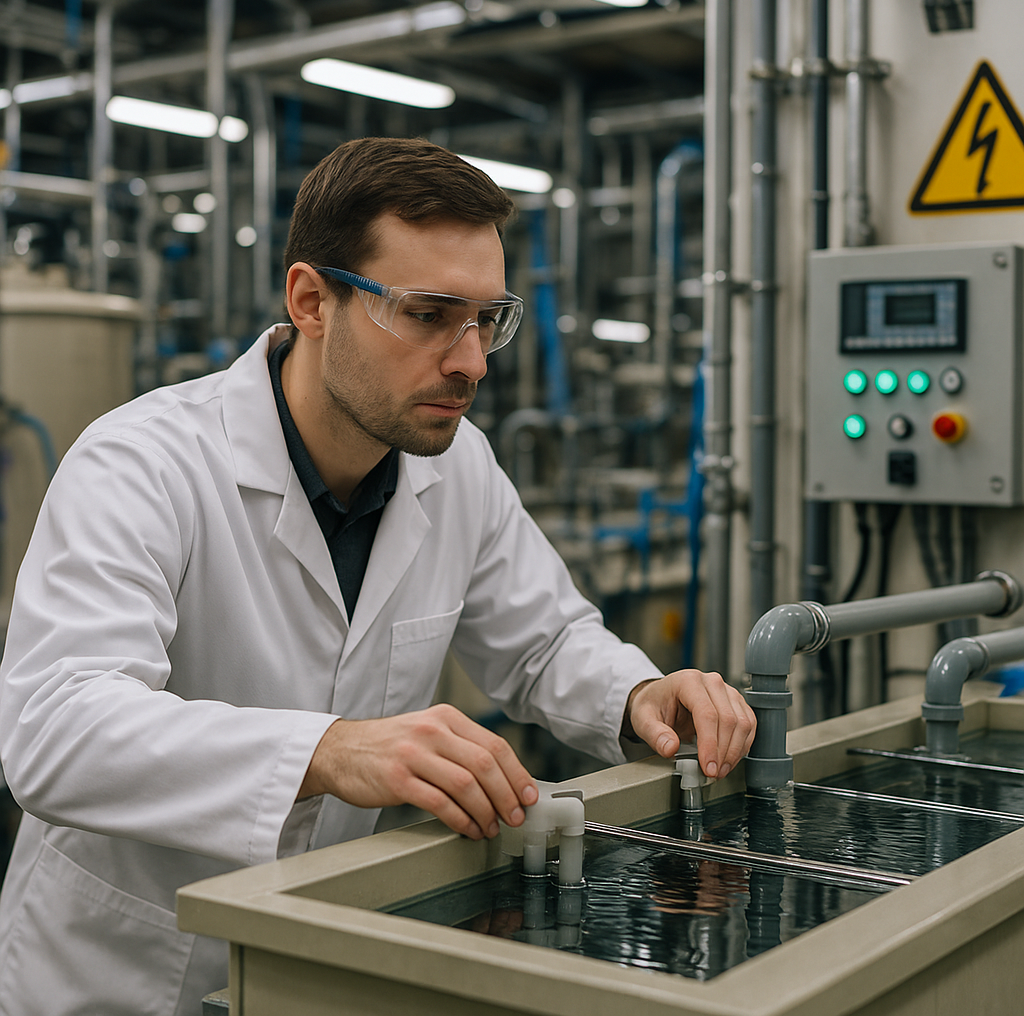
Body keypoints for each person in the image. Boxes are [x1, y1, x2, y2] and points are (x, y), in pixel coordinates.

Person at [0, 137, 755, 1015]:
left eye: (486, 320)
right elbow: (56, 729)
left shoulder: (458, 464)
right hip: (124, 971)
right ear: (312, 301)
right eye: (429, 314)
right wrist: (330, 751)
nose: (472, 361)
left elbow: (545, 641)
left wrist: (638, 695)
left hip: (316, 956)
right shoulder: (143, 463)